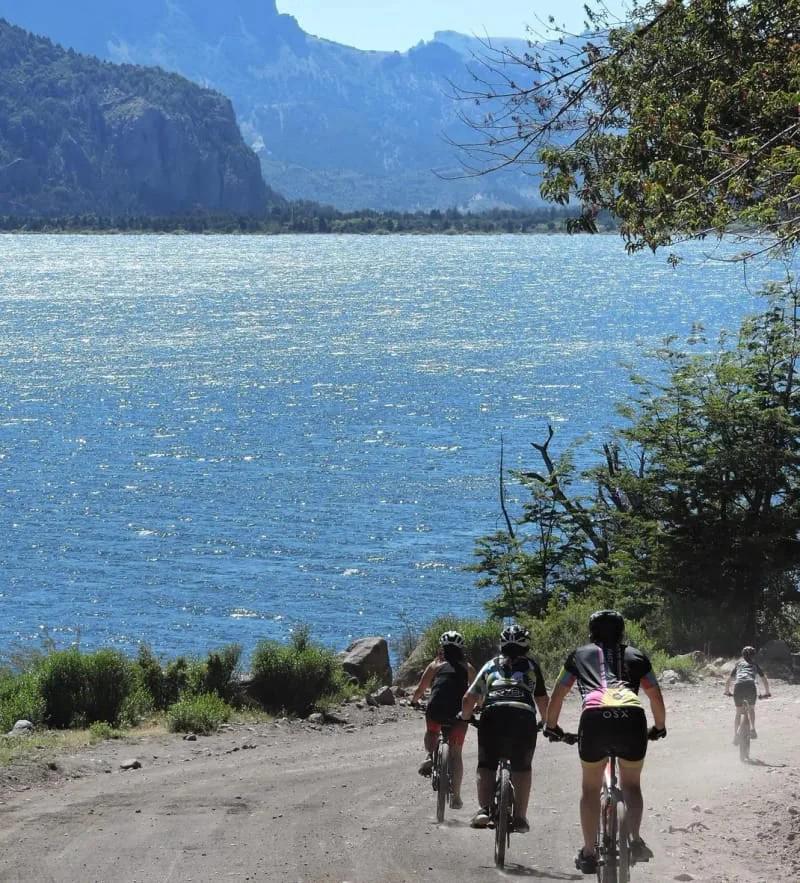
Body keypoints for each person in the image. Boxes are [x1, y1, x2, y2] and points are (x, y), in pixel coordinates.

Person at [544, 609, 666, 875]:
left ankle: (589, 853)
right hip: (632, 715)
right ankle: (634, 840)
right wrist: (659, 727)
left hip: (595, 716)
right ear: (622, 632)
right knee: (632, 785)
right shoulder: (637, 655)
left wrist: (551, 727)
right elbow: (655, 695)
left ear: (592, 632)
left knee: (590, 790)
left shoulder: (579, 655)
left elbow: (558, 695)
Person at [460, 623, 549, 834]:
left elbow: (468, 698)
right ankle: (519, 817)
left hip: (493, 716)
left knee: (486, 764)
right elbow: (543, 700)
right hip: (523, 717)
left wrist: (465, 717)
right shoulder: (531, 666)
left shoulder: (491, 665)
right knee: (522, 767)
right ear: (526, 647)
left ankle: (483, 809)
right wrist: (546, 723)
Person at [410, 630, 476, 810]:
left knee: (432, 730)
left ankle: (430, 755)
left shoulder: (435, 666)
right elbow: (478, 690)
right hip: (458, 714)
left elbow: (421, 689)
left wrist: (413, 702)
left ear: (442, 648)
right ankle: (456, 796)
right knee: (456, 754)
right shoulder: (468, 667)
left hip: (436, 710)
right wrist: (479, 706)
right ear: (462, 649)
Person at [724, 646, 771, 742]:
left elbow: (729, 679)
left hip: (739, 686)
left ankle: (736, 735)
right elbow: (764, 679)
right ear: (753, 656)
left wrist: (727, 691)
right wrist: (767, 692)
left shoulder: (739, 664)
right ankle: (753, 729)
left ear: (742, 655)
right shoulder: (755, 665)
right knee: (751, 709)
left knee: (738, 712)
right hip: (750, 686)